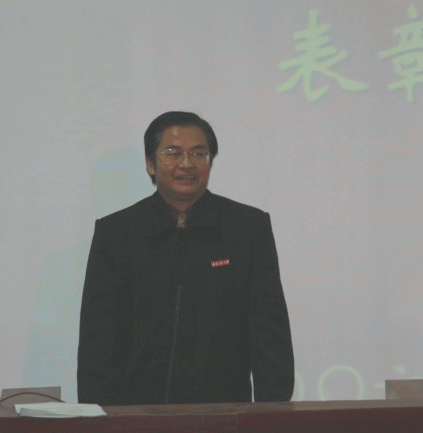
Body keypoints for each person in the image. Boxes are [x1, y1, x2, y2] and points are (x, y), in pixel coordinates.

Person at [77, 111, 294, 405]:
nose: (187, 163)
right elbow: (97, 341)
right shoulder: (117, 233)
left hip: (226, 413)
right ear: (150, 163)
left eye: (198, 153)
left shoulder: (247, 228)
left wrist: (271, 415)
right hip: (135, 415)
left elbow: (271, 335)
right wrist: (101, 418)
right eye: (173, 153)